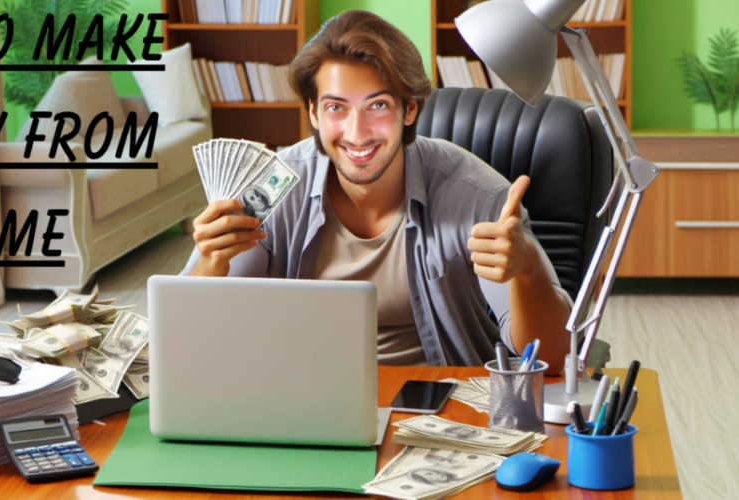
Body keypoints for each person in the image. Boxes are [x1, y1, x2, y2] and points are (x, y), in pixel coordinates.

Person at [182, 10, 571, 372]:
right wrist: (209, 265)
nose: (356, 133)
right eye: (336, 108)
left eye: (378, 105)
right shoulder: (272, 188)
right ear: (314, 113)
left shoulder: (477, 195)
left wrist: (528, 274)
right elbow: (195, 342)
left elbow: (553, 361)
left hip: (436, 408)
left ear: (410, 110)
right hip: (302, 396)